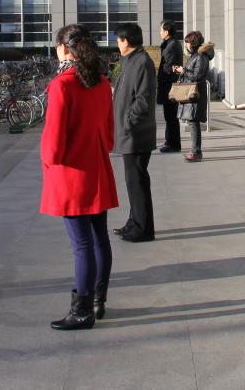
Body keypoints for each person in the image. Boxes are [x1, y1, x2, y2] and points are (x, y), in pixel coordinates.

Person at [40, 24, 118, 330]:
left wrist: (49, 161)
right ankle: (99, 300)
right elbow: (109, 132)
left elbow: (53, 142)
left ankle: (82, 311)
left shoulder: (62, 84)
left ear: (63, 48)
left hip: (72, 173)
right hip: (97, 168)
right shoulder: (101, 81)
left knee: (81, 244)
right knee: (99, 238)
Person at [111, 22, 157, 243]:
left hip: (136, 134)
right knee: (133, 182)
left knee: (137, 182)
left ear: (126, 41)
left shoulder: (141, 62)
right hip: (130, 133)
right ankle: (134, 222)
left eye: (118, 40)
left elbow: (143, 100)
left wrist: (127, 122)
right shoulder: (130, 60)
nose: (117, 44)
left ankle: (143, 229)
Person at [175, 30, 214, 162]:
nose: (186, 45)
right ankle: (195, 151)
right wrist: (182, 71)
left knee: (193, 122)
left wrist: (183, 70)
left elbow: (197, 76)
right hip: (192, 94)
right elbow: (193, 73)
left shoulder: (201, 56)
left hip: (196, 94)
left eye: (187, 43)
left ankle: (196, 152)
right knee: (192, 122)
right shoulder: (195, 55)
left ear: (193, 43)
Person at [156, 20, 184, 153]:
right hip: (168, 84)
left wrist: (163, 74)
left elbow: (169, 67)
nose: (160, 32)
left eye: (161, 30)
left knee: (171, 117)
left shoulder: (172, 45)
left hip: (169, 85)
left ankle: (173, 144)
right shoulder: (170, 44)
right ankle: (170, 142)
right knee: (169, 116)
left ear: (166, 32)